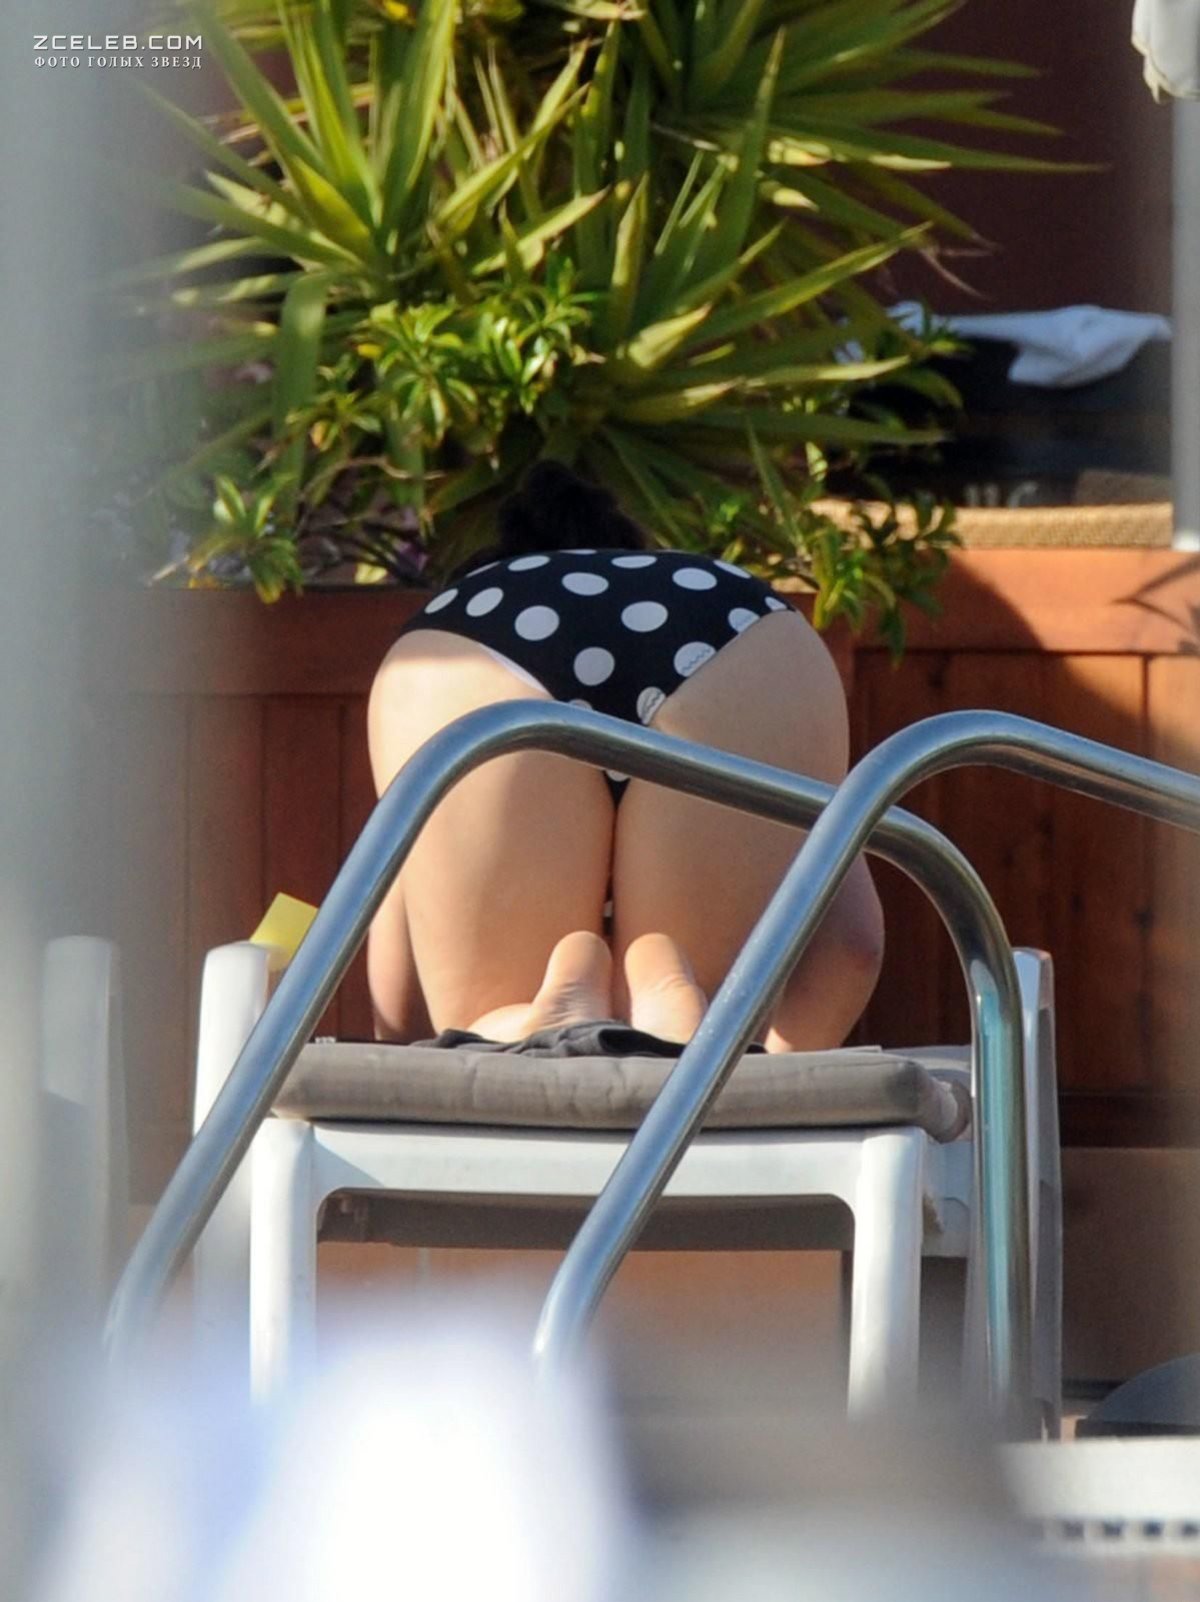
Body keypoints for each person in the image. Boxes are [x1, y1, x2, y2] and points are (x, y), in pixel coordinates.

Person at [366, 462, 884, 1052]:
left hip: (475, 641)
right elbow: (855, 945)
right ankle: (678, 1006)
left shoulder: (481, 597)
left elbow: (394, 976)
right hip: (735, 623)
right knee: (709, 1025)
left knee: (489, 1034)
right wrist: (767, 1063)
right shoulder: (694, 585)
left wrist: (429, 1049)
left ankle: (524, 1020)